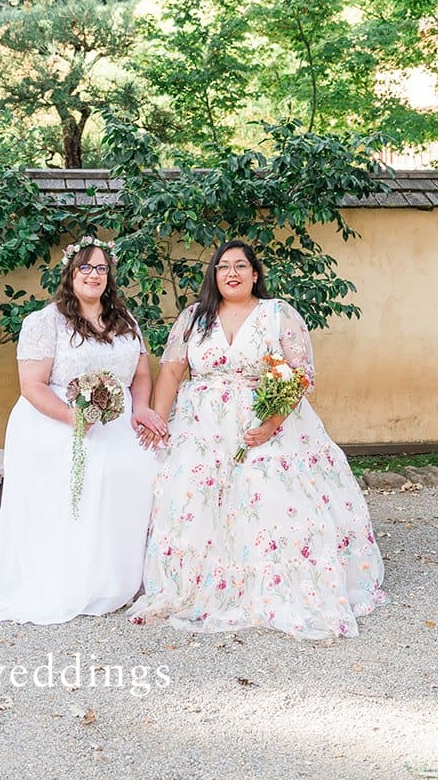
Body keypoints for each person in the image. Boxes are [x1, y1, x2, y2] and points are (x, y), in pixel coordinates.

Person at [130, 238, 387, 640]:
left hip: (265, 425)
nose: (231, 273)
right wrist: (159, 422)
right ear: (214, 275)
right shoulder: (194, 318)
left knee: (267, 497)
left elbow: (300, 374)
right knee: (194, 499)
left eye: (240, 266)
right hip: (202, 429)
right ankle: (199, 586)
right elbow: (171, 371)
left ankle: (273, 587)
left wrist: (272, 423)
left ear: (254, 274)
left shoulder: (277, 313)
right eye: (223, 266)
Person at [0, 235, 166, 624]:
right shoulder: (45, 322)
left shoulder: (125, 320)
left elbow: (141, 375)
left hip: (119, 419)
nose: (94, 275)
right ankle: (78, 576)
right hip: (56, 419)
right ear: (71, 273)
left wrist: (141, 409)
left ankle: (126, 577)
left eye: (101, 268)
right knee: (94, 469)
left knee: (149, 465)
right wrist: (74, 418)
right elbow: (32, 385)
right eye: (85, 267)